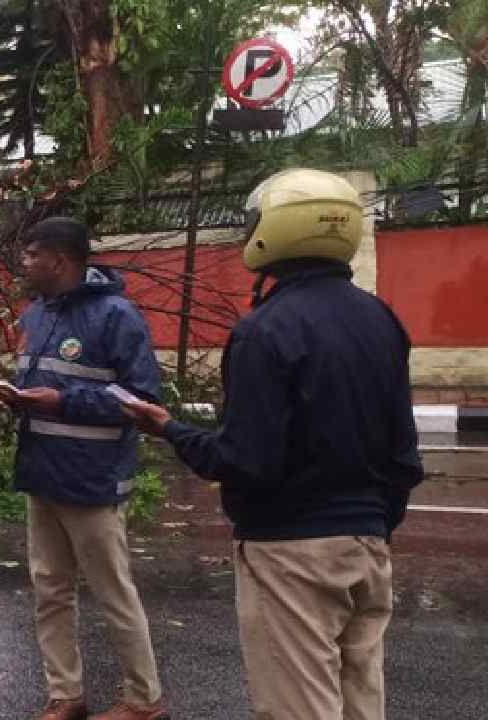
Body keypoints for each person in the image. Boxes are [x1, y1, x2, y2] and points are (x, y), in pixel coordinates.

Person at [120, 169, 424, 720]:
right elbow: (404, 448)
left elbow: (245, 461)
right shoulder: (381, 319)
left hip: (290, 552)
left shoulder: (266, 330)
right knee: (361, 697)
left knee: (298, 708)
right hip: (367, 544)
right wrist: (374, 522)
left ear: (275, 230)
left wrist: (169, 428)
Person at [0, 218, 168, 720]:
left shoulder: (117, 316)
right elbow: (43, 388)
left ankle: (144, 701)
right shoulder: (37, 314)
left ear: (59, 261)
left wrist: (62, 402)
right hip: (42, 476)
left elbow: (144, 402)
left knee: (115, 595)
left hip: (92, 482)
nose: (22, 263)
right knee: (50, 593)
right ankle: (65, 695)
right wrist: (14, 397)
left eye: (30, 255)